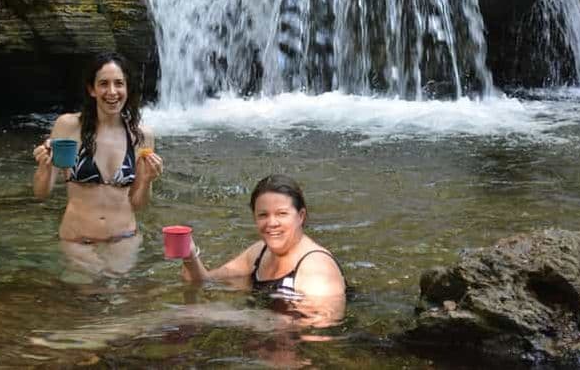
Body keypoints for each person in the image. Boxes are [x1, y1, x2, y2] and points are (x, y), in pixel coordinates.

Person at [32, 51, 163, 277]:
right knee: (87, 302)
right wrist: (44, 166)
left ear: (127, 89)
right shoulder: (68, 126)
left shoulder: (141, 136)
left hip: (124, 239)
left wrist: (148, 180)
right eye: (103, 84)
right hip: (77, 239)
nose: (112, 92)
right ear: (92, 89)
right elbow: (41, 193)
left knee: (120, 304)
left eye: (119, 84)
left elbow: (138, 203)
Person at [181, 174, 346, 327]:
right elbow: (205, 282)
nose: (271, 223)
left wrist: (235, 317)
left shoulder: (316, 269)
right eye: (263, 215)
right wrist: (189, 255)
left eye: (282, 214)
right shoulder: (259, 252)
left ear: (300, 216)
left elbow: (323, 328)